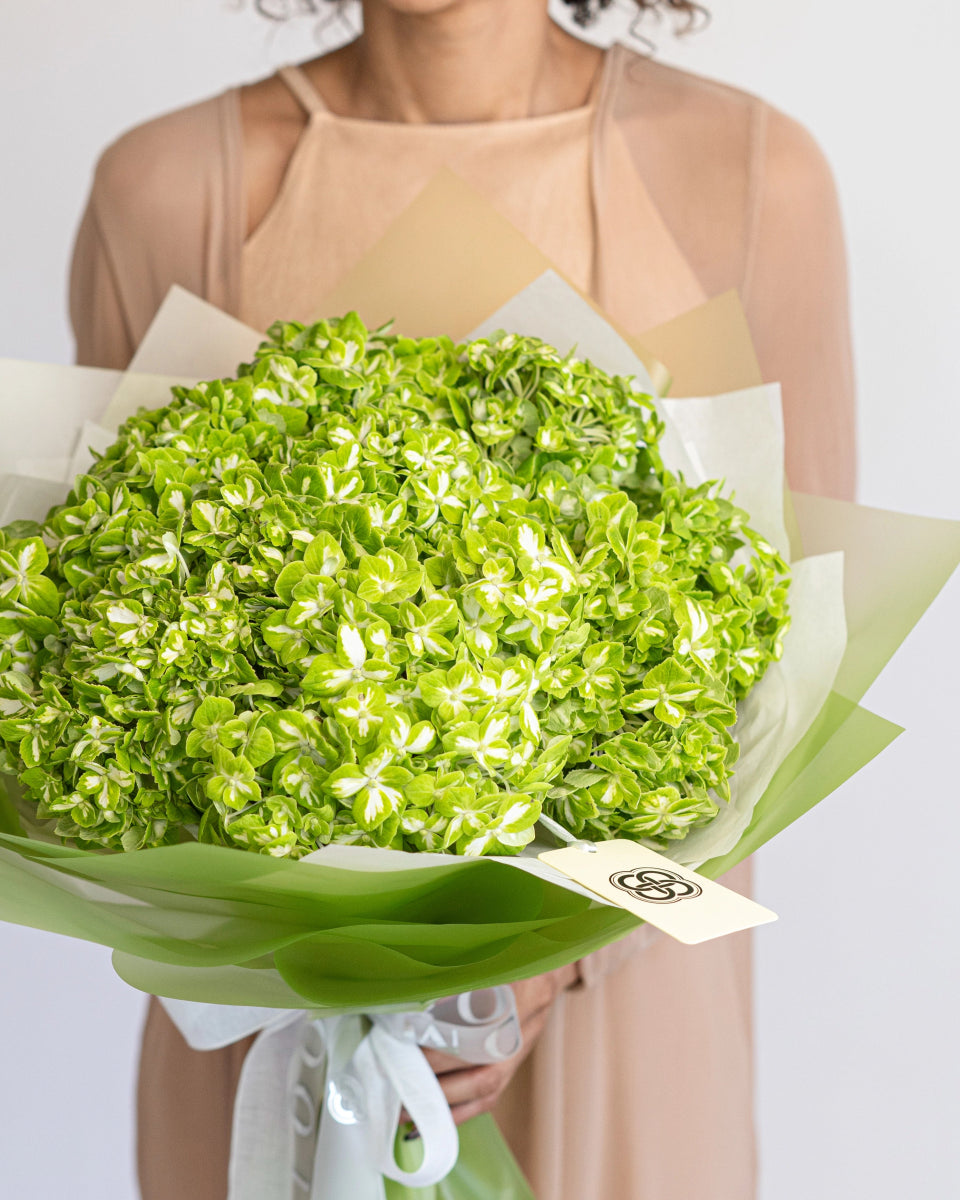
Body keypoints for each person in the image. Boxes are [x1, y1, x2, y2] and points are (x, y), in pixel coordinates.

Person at [69, 2, 855, 1196]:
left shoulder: (756, 177)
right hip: (285, 1037)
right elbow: (100, 643)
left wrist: (552, 958)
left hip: (625, 1024)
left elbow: (802, 681)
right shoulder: (167, 189)